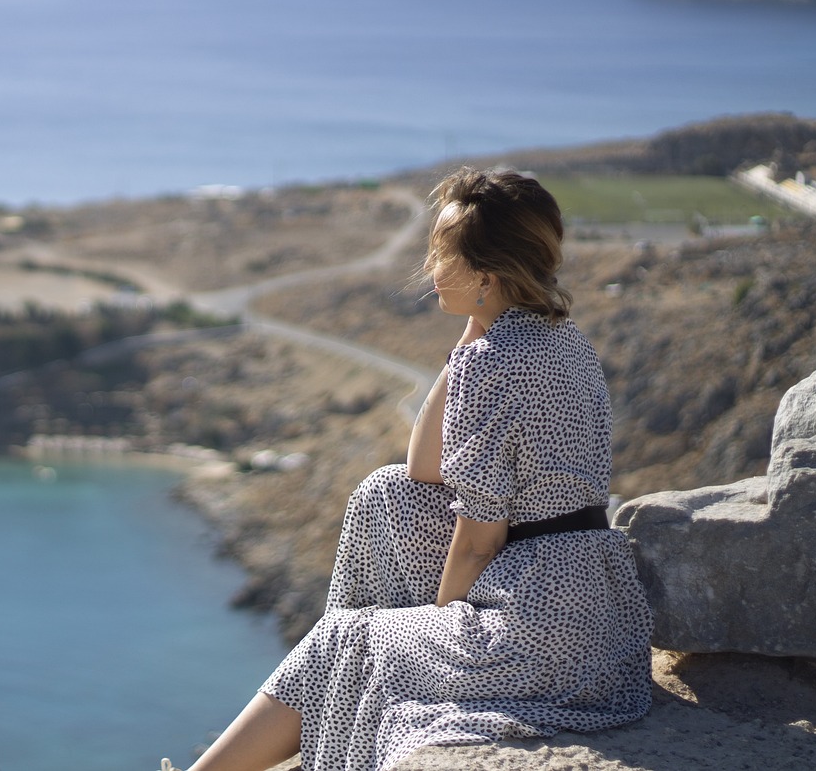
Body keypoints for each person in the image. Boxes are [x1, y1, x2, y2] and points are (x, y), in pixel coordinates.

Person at [161, 167, 653, 771]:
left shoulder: (495, 364)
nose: (429, 265)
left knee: (346, 640)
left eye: (440, 251)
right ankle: (340, 682)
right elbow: (424, 472)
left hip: (536, 628)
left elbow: (477, 542)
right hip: (590, 603)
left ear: (484, 275)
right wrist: (472, 337)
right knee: (386, 494)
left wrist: (437, 628)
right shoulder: (561, 338)